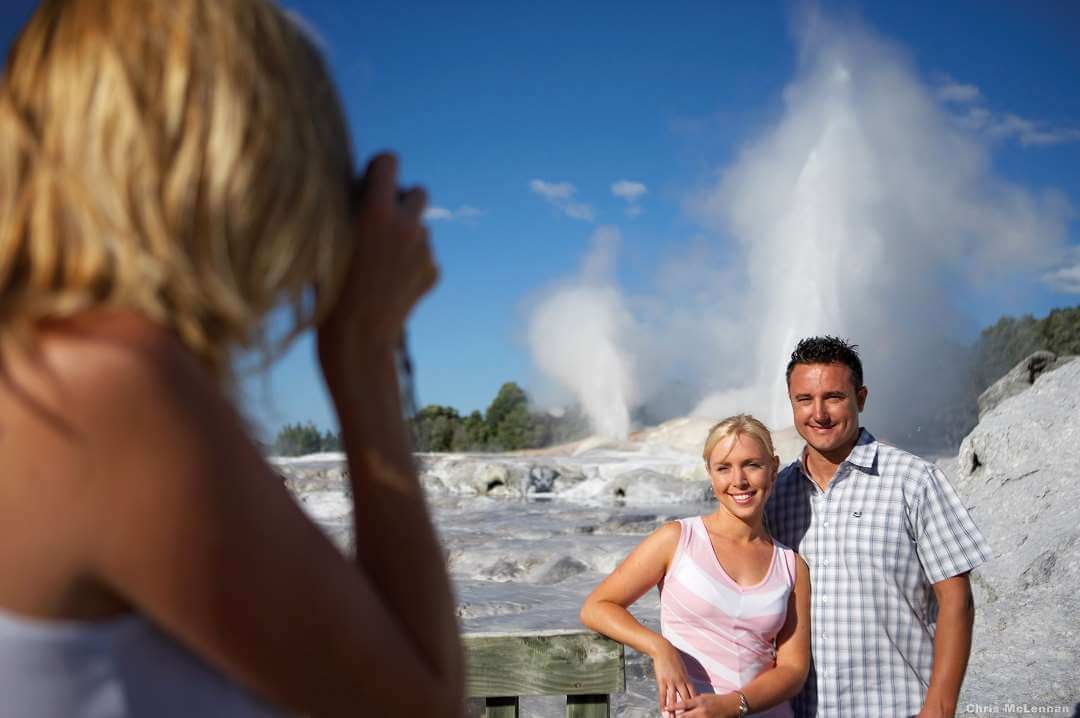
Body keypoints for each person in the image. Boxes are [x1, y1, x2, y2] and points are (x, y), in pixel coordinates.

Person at [0, 1, 464, 716]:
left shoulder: (41, 367)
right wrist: (363, 353)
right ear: (235, 160)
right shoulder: (102, 385)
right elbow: (420, 708)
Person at [765, 336, 991, 718]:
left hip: (897, 706)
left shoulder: (914, 480)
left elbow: (957, 600)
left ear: (862, 398)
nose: (818, 413)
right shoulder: (778, 494)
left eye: (833, 397)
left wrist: (940, 706)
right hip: (803, 710)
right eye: (804, 400)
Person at [581, 415, 811, 718]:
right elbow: (597, 607)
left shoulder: (791, 565)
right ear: (710, 474)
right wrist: (659, 648)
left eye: (752, 465)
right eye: (724, 468)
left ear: (773, 468)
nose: (738, 480)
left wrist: (730, 705)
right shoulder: (677, 540)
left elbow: (793, 670)